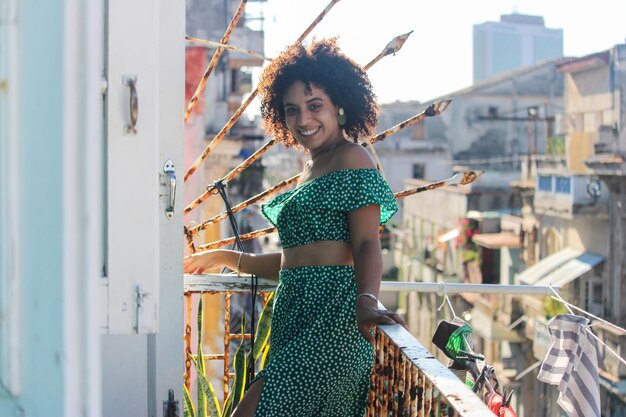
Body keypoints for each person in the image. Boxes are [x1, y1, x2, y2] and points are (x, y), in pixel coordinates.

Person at [184, 38, 407, 417]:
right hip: (294, 320)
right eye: (292, 110)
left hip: (332, 324)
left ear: (340, 105)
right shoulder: (310, 169)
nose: (304, 120)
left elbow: (368, 242)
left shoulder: (353, 157)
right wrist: (224, 256)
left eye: (314, 106)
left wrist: (367, 299)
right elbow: (295, 262)